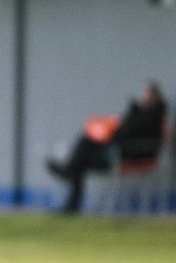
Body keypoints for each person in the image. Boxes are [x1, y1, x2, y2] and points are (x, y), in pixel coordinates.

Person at [47, 82, 167, 214]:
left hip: (130, 153)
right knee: (85, 147)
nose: (145, 97)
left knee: (82, 155)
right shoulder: (139, 111)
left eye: (149, 94)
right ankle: (72, 204)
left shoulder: (156, 113)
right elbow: (125, 127)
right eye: (145, 94)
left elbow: (136, 130)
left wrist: (132, 114)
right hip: (116, 148)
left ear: (156, 96)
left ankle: (68, 171)